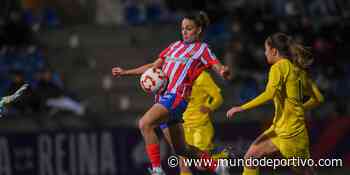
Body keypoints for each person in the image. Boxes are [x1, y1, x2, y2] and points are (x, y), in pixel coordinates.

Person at [112, 11, 231, 175]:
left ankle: (156, 170)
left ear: (199, 30)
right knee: (182, 150)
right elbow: (154, 66)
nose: (184, 32)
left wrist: (223, 71)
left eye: (189, 28)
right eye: (183, 28)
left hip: (176, 97)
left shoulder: (201, 49)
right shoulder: (174, 46)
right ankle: (217, 167)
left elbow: (216, 64)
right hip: (162, 99)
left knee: (144, 124)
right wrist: (126, 72)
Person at [226, 33, 324, 175]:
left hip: (291, 135)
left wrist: (241, 107)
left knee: (305, 172)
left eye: (266, 49)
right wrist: (299, 108)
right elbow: (319, 98)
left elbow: (269, 93)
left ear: (274, 51)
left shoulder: (278, 67)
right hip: (280, 130)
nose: (265, 53)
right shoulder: (298, 70)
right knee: (251, 157)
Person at [161, 70, 229, 175]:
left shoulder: (203, 77)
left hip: (200, 126)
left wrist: (209, 107)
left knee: (201, 165)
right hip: (183, 125)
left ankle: (220, 160)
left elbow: (218, 97)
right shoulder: (178, 75)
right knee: (183, 163)